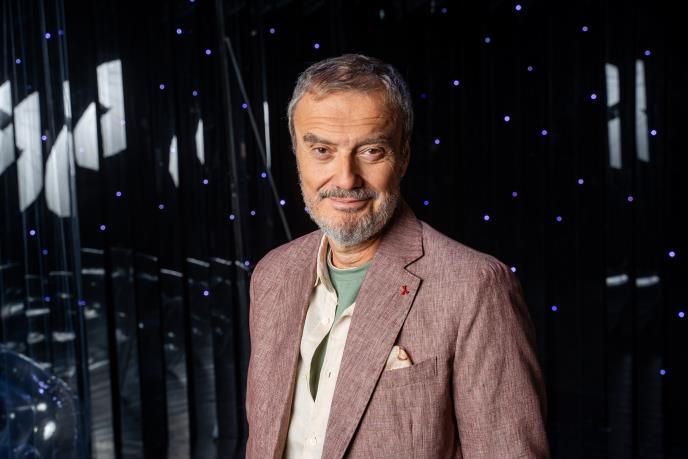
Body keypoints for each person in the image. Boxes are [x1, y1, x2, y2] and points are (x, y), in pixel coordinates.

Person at [245, 54, 549, 458]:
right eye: (321, 150)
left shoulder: (475, 287)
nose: (345, 179)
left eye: (371, 151)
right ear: (296, 152)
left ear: (403, 156)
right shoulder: (272, 274)